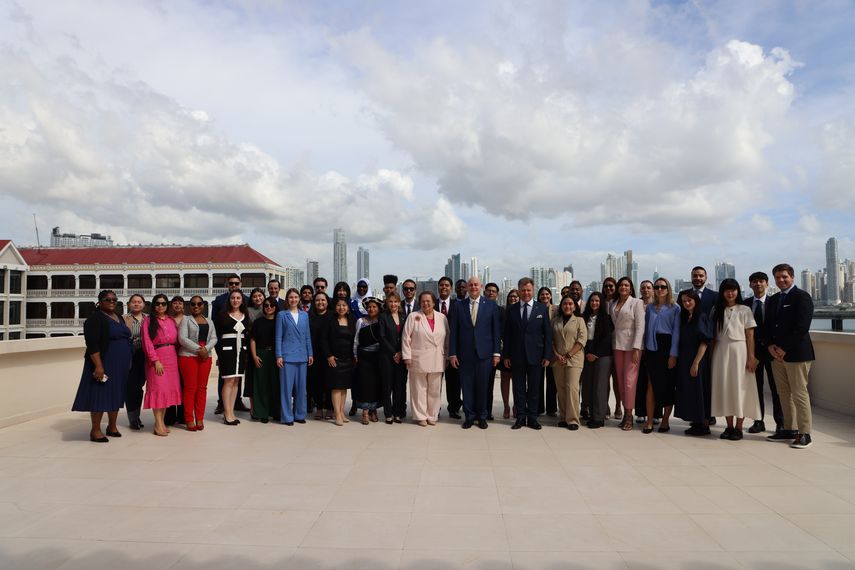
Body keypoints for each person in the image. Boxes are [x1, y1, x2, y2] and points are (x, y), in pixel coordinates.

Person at [764, 263, 816, 449]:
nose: (781, 280)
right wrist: (770, 346)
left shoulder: (802, 297)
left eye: (784, 277)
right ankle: (789, 428)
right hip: (776, 356)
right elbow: (767, 326)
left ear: (792, 277)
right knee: (783, 394)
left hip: (797, 355)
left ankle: (805, 433)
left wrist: (784, 348)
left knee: (799, 393)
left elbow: (802, 327)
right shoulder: (774, 299)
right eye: (778, 277)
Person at [72, 290, 132, 442]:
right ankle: (95, 430)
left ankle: (112, 426)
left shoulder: (118, 317)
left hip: (120, 364)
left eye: (114, 299)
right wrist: (98, 366)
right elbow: (92, 345)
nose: (112, 302)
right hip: (104, 362)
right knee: (99, 394)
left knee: (116, 393)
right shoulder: (95, 319)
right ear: (100, 302)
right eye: (108, 299)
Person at [449, 276, 501, 429]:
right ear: (466, 288)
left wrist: (496, 353)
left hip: (484, 354)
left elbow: (496, 331)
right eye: (470, 285)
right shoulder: (459, 306)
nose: (473, 287)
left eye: (476, 285)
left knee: (483, 386)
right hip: (464, 354)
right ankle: (470, 416)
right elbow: (454, 332)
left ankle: (482, 416)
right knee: (467, 386)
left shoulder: (491, 305)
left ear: (481, 287)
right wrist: (453, 353)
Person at [710, 278, 760, 441]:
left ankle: (739, 427)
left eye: (733, 290)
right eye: (727, 290)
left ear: (738, 291)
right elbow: (712, 336)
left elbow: (750, 335)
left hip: (740, 351)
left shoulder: (744, 309)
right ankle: (729, 426)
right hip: (721, 351)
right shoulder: (716, 310)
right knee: (725, 387)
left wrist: (751, 357)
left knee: (741, 387)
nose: (730, 293)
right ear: (722, 292)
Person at [503, 277, 553, 430]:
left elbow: (548, 334)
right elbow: (507, 335)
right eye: (523, 290)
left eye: (528, 290)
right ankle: (520, 417)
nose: (526, 292)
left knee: (534, 388)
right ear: (518, 291)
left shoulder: (542, 309)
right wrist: (506, 356)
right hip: (516, 356)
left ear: (533, 291)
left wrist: (547, 355)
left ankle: (532, 417)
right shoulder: (511, 309)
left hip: (536, 356)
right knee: (518, 388)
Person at [743, 271, 784, 434]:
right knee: (755, 387)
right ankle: (758, 421)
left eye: (761, 281)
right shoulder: (745, 304)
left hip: (773, 350)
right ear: (750, 285)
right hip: (753, 352)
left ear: (767, 284)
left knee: (777, 388)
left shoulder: (775, 302)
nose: (758, 284)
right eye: (754, 281)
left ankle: (780, 423)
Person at [402, 291, 449, 426]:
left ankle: (432, 415)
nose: (425, 303)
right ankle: (420, 415)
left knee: (434, 389)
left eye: (428, 301)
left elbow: (447, 338)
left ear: (434, 302)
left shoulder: (442, 318)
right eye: (423, 301)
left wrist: (446, 356)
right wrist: (407, 356)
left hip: (437, 357)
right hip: (418, 358)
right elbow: (406, 338)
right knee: (419, 389)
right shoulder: (413, 316)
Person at [641, 278, 680, 434]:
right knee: (651, 384)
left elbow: (677, 333)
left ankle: (665, 420)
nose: (659, 289)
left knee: (668, 385)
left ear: (668, 288)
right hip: (652, 347)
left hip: (667, 346)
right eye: (656, 287)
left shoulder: (675, 308)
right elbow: (646, 329)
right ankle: (649, 421)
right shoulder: (650, 308)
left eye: (662, 286)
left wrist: (673, 354)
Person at [142, 293, 182, 436]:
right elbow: (146, 342)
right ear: (153, 305)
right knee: (158, 389)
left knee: (166, 392)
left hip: (172, 357)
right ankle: (158, 424)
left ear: (167, 305)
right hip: (157, 358)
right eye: (158, 303)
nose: (160, 306)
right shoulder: (147, 321)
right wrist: (155, 360)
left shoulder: (171, 320)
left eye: (163, 303)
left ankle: (161, 422)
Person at [674, 290, 712, 436]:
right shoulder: (684, 318)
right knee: (690, 391)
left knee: (700, 390)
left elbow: (704, 342)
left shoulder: (702, 317)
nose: (687, 303)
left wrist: (696, 362)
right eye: (684, 301)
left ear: (696, 301)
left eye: (689, 300)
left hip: (698, 360)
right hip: (684, 358)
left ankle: (704, 423)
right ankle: (695, 422)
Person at [609, 277, 644, 431]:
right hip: (617, 345)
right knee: (621, 381)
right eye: (621, 285)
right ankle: (624, 412)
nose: (623, 287)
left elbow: (640, 327)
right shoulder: (612, 304)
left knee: (630, 382)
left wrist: (637, 348)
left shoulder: (637, 303)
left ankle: (630, 414)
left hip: (632, 347)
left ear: (630, 288)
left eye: (626, 285)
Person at [178, 295, 217, 431]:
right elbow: (182, 339)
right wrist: (198, 349)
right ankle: (189, 418)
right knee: (190, 388)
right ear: (190, 306)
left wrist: (205, 349)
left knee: (202, 388)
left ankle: (199, 418)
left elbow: (214, 338)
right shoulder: (185, 320)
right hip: (189, 356)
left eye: (199, 304)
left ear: (203, 305)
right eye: (193, 304)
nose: (196, 306)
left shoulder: (209, 321)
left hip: (205, 356)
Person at [275, 288, 314, 426]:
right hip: (287, 356)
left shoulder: (304, 315)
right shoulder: (282, 315)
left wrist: (310, 353)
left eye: (296, 297)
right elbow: (278, 336)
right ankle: (287, 416)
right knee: (286, 389)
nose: (293, 300)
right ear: (287, 299)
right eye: (291, 297)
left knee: (301, 388)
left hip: (302, 355)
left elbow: (307, 336)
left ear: (299, 299)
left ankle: (300, 414)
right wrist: (279, 355)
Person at [212, 274, 249, 415]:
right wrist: (219, 352)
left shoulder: (245, 303)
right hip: (226, 348)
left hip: (241, 348)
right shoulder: (219, 302)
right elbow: (216, 329)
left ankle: (234, 406)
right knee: (227, 379)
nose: (234, 285)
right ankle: (223, 406)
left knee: (237, 380)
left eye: (236, 283)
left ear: (240, 283)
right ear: (227, 284)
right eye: (231, 283)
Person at [551, 295, 587, 430]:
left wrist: (568, 355)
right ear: (561, 306)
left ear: (574, 306)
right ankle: (564, 417)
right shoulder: (555, 321)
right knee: (561, 389)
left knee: (572, 388)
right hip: (558, 360)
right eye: (565, 304)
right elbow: (551, 340)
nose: (568, 306)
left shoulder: (579, 320)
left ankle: (573, 420)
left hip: (574, 359)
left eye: (570, 304)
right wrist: (557, 355)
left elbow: (582, 340)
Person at [581, 292, 613, 429]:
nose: (594, 303)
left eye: (597, 301)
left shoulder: (606, 318)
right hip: (587, 353)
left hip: (603, 355)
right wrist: (588, 353)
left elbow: (607, 338)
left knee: (600, 386)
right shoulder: (584, 317)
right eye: (592, 301)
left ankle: (599, 418)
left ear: (601, 303)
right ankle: (592, 414)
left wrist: (596, 354)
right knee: (589, 385)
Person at [323, 298, 356, 426]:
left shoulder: (351, 320)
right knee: (336, 386)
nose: (341, 307)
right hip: (334, 359)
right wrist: (329, 355)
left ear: (347, 308)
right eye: (339, 305)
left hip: (348, 358)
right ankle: (337, 414)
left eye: (344, 305)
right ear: (335, 307)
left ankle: (342, 412)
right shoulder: (330, 320)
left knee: (344, 387)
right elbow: (324, 339)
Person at [250, 296, 280, 423]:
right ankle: (262, 412)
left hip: (275, 355)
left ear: (275, 307)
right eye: (266, 305)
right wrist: (254, 356)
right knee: (261, 385)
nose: (268, 308)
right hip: (261, 354)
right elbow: (253, 339)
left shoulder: (280, 321)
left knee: (275, 384)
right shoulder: (258, 322)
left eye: (271, 306)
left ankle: (276, 412)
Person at [353, 297, 383, 425]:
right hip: (363, 356)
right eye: (369, 307)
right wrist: (355, 355)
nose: (371, 309)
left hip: (377, 357)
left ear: (378, 309)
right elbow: (356, 340)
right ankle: (365, 412)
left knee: (376, 384)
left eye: (374, 307)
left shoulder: (381, 321)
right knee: (365, 384)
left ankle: (374, 410)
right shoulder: (361, 321)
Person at [379, 292, 407, 423]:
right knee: (387, 386)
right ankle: (388, 413)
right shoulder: (383, 317)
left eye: (395, 301)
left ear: (399, 303)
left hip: (401, 357)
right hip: (387, 357)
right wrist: (393, 353)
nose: (393, 304)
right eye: (390, 301)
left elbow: (406, 336)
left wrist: (401, 352)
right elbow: (382, 337)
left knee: (398, 386)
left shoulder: (403, 316)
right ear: (387, 303)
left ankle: (397, 413)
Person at [437, 276, 462, 418]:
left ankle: (454, 408)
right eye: (441, 285)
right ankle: (435, 408)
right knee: (435, 382)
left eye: (447, 285)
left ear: (450, 288)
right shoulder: (431, 304)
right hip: (435, 350)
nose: (444, 287)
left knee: (454, 382)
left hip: (453, 349)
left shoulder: (458, 305)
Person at [123, 294, 147, 431]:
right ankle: (132, 418)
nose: (136, 304)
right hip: (130, 356)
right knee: (131, 388)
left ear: (143, 304)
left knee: (139, 387)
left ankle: (137, 416)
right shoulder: (124, 319)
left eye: (139, 302)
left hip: (144, 355)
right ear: (129, 304)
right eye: (133, 302)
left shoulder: (148, 318)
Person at [308, 291, 332, 420]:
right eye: (317, 300)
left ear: (327, 302)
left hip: (329, 355)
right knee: (316, 382)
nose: (320, 302)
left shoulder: (332, 316)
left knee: (329, 382)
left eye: (323, 300)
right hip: (314, 354)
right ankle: (319, 408)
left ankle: (329, 408)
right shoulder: (309, 316)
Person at [244, 287, 267, 415]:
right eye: (255, 296)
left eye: (260, 295)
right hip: (251, 346)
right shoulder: (248, 311)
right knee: (251, 378)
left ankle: (265, 405)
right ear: (251, 298)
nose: (258, 298)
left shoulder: (269, 308)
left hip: (267, 347)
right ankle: (253, 407)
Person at [537, 286, 558, 417]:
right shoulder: (535, 308)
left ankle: (551, 408)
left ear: (550, 296)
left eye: (547, 294)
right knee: (538, 379)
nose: (545, 296)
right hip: (539, 347)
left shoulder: (556, 309)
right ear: (539, 297)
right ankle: (538, 407)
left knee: (552, 379)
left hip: (553, 347)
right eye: (542, 294)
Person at [601, 277, 621, 420]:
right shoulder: (600, 302)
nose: (608, 288)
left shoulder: (620, 302)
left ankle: (618, 406)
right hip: (604, 345)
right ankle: (605, 405)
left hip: (619, 344)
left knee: (617, 379)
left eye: (611, 286)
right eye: (606, 286)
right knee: (604, 378)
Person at [165, 295, 186, 426]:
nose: (177, 305)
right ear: (171, 305)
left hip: (184, 354)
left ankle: (183, 415)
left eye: (180, 303)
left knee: (184, 385)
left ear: (183, 305)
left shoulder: (187, 319)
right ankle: (170, 415)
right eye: (175, 303)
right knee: (171, 385)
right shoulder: (168, 319)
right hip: (170, 354)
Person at [484, 282, 503, 420]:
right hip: (480, 352)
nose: (491, 293)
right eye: (488, 291)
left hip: (495, 352)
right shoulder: (478, 307)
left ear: (497, 294)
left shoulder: (501, 311)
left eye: (493, 291)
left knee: (489, 384)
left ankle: (487, 411)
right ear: (484, 292)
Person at [499, 289, 519, 419]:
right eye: (511, 297)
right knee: (505, 379)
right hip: (505, 349)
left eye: (515, 297)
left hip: (519, 351)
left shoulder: (521, 310)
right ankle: (506, 406)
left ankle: (516, 406)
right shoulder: (502, 311)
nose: (513, 299)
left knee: (517, 381)